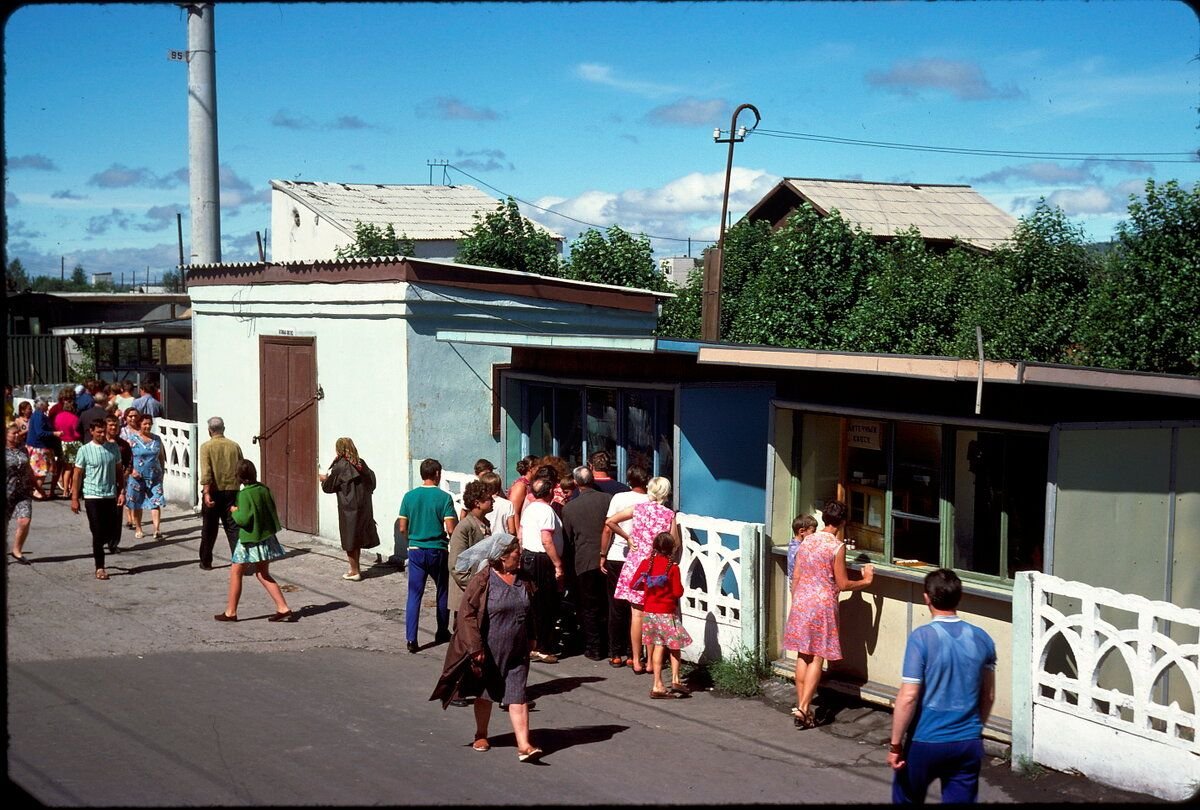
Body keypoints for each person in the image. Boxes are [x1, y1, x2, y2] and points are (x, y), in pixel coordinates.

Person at [889, 568, 997, 804]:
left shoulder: (922, 638)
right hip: (967, 742)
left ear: (926, 597)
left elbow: (909, 696)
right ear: (959, 597)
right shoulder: (982, 638)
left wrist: (896, 744)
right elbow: (988, 695)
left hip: (925, 740)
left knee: (906, 796)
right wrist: (975, 729)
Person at [431, 533, 543, 762]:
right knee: (486, 693)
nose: (519, 558)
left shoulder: (523, 578)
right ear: (501, 557)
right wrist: (475, 647)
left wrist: (532, 635)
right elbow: (467, 615)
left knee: (518, 694)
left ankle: (524, 745)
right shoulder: (483, 581)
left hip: (517, 649)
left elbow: (530, 609)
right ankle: (481, 734)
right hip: (488, 649)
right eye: (515, 555)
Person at [783, 500, 875, 728]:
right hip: (822, 603)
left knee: (803, 654)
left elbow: (796, 575)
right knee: (817, 656)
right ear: (842, 522)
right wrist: (865, 580)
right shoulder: (836, 546)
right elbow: (842, 584)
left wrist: (797, 600)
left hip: (802, 599)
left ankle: (801, 704)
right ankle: (804, 708)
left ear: (824, 518)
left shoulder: (807, 540)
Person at [605, 475, 677, 675]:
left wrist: (628, 538)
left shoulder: (639, 509)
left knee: (636, 615)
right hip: (656, 566)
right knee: (652, 613)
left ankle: (636, 660)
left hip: (636, 564)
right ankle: (651, 663)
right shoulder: (668, 515)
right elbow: (675, 542)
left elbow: (611, 521)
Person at [215, 459, 296, 622]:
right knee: (262, 573)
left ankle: (231, 611)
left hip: (249, 539)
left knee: (236, 572)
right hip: (265, 537)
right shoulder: (263, 489)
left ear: (238, 476)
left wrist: (234, 511)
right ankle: (283, 607)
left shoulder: (244, 494)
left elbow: (244, 520)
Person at [397, 458, 457, 653]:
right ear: (437, 474)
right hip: (437, 549)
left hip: (415, 549)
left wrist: (412, 539)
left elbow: (402, 527)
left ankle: (411, 639)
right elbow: (450, 528)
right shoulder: (444, 498)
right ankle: (441, 630)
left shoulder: (409, 496)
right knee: (442, 590)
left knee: (414, 594)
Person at [600, 465, 650, 668]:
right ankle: (633, 653)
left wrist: (602, 554)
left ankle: (615, 653)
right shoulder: (650, 501)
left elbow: (607, 527)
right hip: (640, 559)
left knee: (616, 606)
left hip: (618, 556)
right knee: (636, 608)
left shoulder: (619, 498)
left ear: (629, 481)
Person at [561, 465, 612, 661]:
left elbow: (568, 538)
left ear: (575, 483)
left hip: (584, 561)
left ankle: (594, 647)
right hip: (606, 558)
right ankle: (610, 646)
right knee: (607, 604)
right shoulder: (607, 500)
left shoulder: (570, 508)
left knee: (588, 606)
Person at [633, 531, 692, 699]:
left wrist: (646, 589)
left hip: (650, 612)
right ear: (671, 548)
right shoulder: (673, 568)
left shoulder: (646, 564)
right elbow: (678, 592)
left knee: (662, 645)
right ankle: (667, 681)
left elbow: (633, 583)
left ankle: (665, 682)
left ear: (654, 547)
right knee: (672, 646)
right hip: (667, 612)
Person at [71, 418, 126, 580]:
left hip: (110, 495)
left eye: (104, 431)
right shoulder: (84, 450)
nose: (102, 435)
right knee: (97, 532)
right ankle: (100, 567)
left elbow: (119, 471)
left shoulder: (113, 448)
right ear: (92, 432)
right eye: (99, 432)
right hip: (92, 495)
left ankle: (104, 543)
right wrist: (75, 498)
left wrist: (121, 491)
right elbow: (77, 474)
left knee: (109, 531)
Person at [319, 437, 380, 581]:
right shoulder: (360, 463)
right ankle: (355, 568)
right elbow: (372, 482)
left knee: (349, 538)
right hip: (364, 506)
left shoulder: (341, 465)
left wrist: (323, 480)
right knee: (356, 537)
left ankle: (354, 571)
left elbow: (329, 487)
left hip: (348, 507)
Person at [519, 477, 565, 663]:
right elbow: (546, 538)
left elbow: (521, 534)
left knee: (534, 603)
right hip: (541, 559)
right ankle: (543, 647)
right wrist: (557, 563)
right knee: (545, 604)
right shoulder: (546, 510)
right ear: (550, 492)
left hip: (529, 556)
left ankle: (533, 644)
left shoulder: (530, 509)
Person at [198, 416, 244, 570]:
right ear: (223, 429)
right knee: (233, 528)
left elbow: (206, 472)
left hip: (214, 490)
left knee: (209, 528)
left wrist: (206, 493)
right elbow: (241, 467)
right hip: (232, 491)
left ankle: (206, 561)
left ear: (210, 431)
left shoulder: (206, 447)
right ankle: (239, 561)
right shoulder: (234, 446)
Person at [448, 479, 493, 621]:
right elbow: (456, 566)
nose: (493, 501)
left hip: (479, 592)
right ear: (477, 503)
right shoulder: (464, 527)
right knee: (465, 637)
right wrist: (474, 586)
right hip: (466, 594)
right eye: (489, 499)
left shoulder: (485, 523)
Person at [126, 414, 166, 540]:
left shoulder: (157, 439)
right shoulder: (132, 440)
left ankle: (157, 529)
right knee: (138, 503)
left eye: (149, 424)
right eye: (145, 424)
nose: (147, 426)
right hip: (138, 476)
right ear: (139, 425)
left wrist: (162, 473)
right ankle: (138, 528)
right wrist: (131, 471)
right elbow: (127, 458)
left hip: (154, 476)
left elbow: (161, 457)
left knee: (156, 502)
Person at [6, 423, 35, 564]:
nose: (17, 435)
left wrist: (37, 487)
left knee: (25, 520)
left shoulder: (23, 449)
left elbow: (28, 468)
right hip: (7, 491)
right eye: (14, 433)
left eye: (19, 433)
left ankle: (17, 551)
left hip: (23, 491)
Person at [24, 398, 58, 500]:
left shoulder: (37, 415)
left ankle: (37, 491)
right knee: (41, 472)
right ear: (42, 405)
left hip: (37, 446)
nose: (48, 406)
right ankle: (37, 492)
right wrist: (54, 433)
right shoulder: (39, 416)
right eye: (47, 404)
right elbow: (40, 432)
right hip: (39, 447)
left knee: (38, 472)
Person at [53, 397, 82, 500]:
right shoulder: (75, 418)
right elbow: (76, 433)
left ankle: (65, 491)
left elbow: (56, 427)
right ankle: (73, 490)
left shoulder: (58, 416)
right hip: (73, 443)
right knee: (75, 468)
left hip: (62, 442)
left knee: (66, 468)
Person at [506, 454, 540, 531]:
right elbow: (514, 511)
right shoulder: (521, 485)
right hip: (522, 529)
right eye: (539, 468)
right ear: (531, 468)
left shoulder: (530, 484)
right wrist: (518, 533)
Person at [786, 514, 819, 587]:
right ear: (801, 531)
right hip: (801, 584)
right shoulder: (801, 549)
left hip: (794, 582)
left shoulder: (792, 544)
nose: (814, 534)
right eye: (813, 531)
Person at [479, 471, 515, 536]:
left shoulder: (481, 504)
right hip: (502, 541)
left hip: (485, 540)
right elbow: (512, 530)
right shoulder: (508, 504)